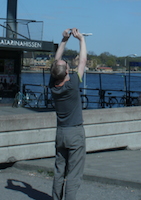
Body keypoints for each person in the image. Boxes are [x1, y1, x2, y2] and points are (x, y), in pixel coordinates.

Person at [49, 28, 87, 200]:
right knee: (73, 174)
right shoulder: (72, 86)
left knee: (59, 171)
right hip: (75, 133)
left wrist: (64, 39)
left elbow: (56, 62)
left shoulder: (53, 85)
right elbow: (83, 61)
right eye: (66, 65)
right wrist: (81, 39)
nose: (66, 63)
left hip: (61, 132)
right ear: (66, 73)